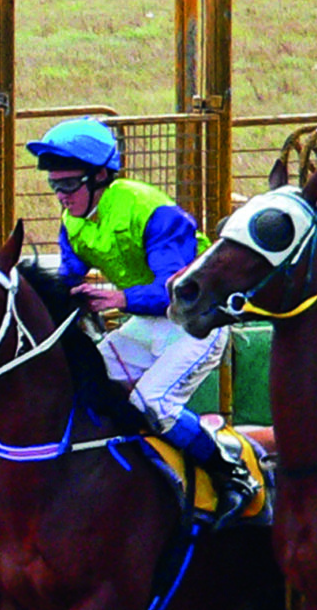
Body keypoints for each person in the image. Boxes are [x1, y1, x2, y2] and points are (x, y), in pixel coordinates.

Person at [26, 118, 251, 520]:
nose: (61, 197)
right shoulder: (73, 221)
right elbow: (68, 280)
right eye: (54, 187)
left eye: (68, 185)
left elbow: (178, 288)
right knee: (87, 385)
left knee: (153, 403)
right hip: (147, 323)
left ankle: (230, 474)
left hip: (195, 323)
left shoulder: (149, 210)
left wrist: (117, 297)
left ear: (99, 177)